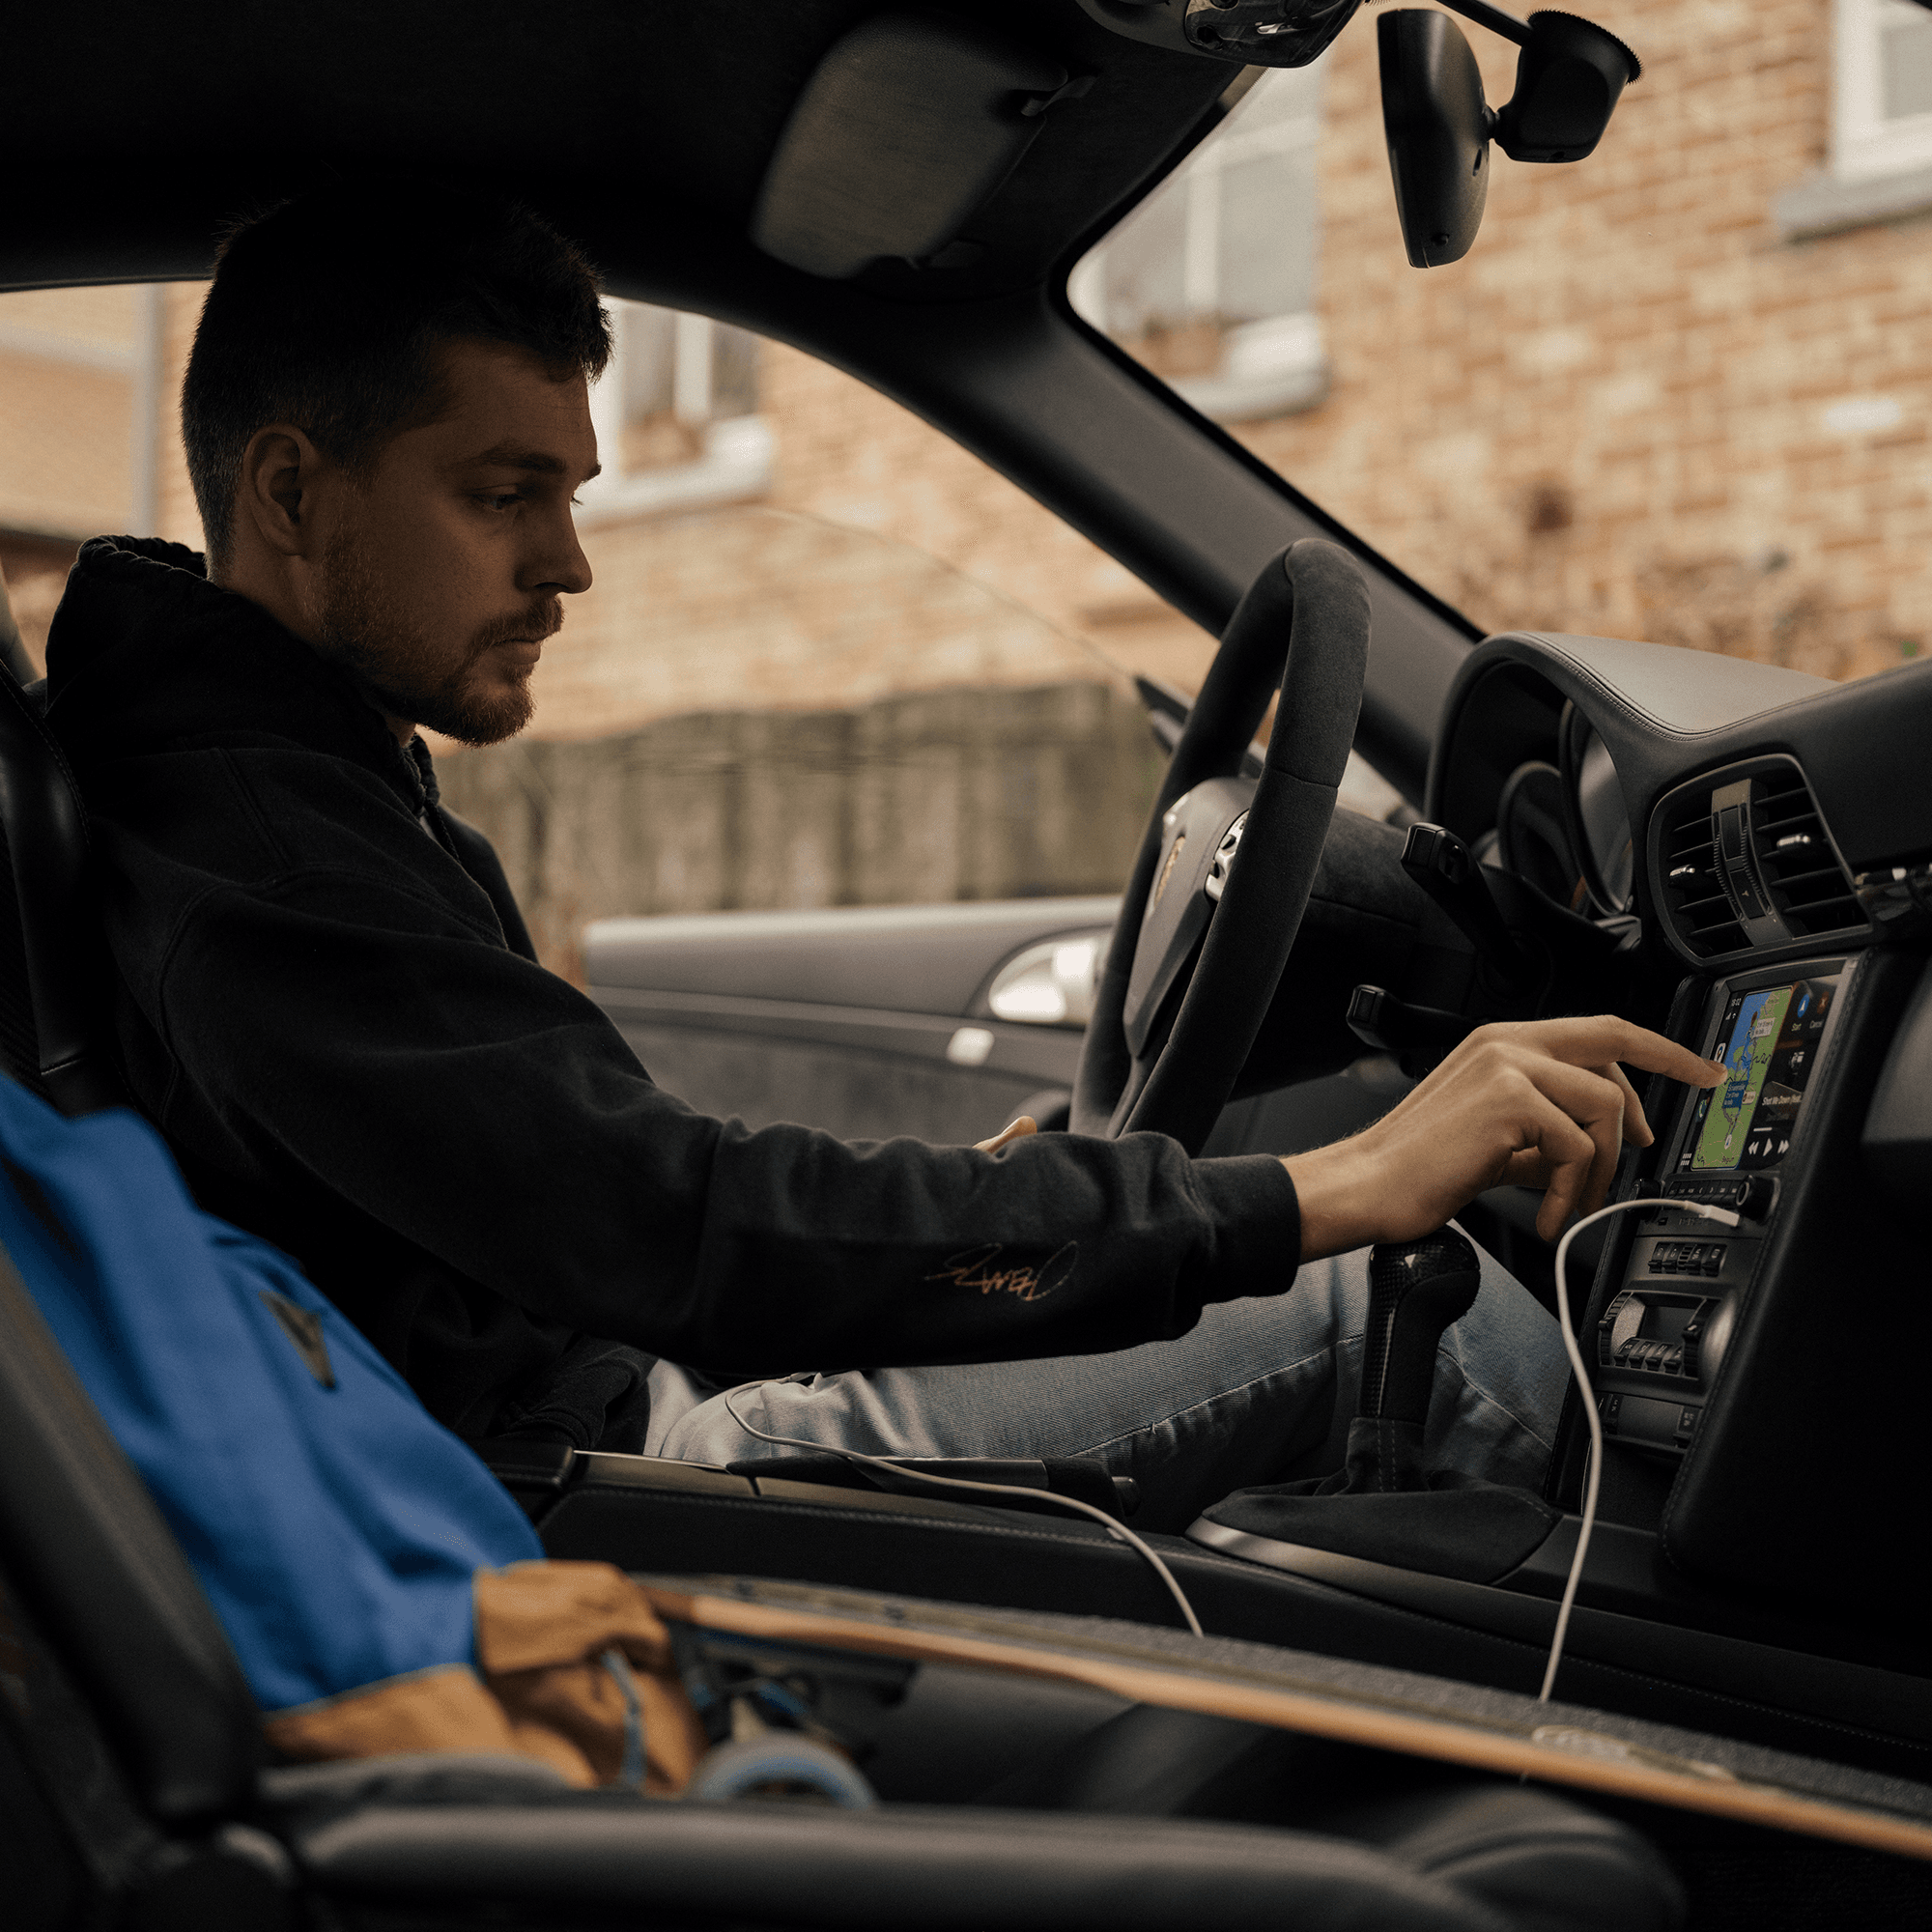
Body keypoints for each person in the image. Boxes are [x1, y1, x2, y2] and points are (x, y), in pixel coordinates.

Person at [43, 188, 1724, 1528]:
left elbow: (613, 1185)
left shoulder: (302, 772)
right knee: (1377, 1310)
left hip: (608, 1406)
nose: (570, 561)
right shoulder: (262, 855)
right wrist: (1319, 1191)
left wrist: (1017, 1218)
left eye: (572, 494)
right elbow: (678, 1225)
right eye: (504, 492)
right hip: (614, 1490)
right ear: (287, 491)